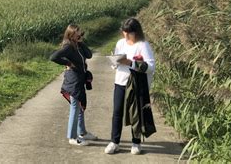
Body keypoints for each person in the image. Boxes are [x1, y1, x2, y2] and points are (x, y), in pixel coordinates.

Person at [104, 18, 155, 155]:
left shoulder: (143, 45)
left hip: (136, 84)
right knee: (117, 112)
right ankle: (114, 142)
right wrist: (114, 61)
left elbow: (150, 67)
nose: (126, 36)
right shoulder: (120, 43)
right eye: (124, 32)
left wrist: (131, 63)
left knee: (135, 113)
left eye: (129, 33)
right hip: (120, 82)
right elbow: (116, 63)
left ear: (136, 32)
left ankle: (136, 143)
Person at [50, 24, 98, 146]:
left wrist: (81, 42)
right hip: (73, 81)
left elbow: (89, 55)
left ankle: (82, 132)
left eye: (80, 32)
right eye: (77, 32)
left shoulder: (77, 45)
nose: (79, 34)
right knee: (75, 108)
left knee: (80, 107)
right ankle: (72, 137)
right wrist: (68, 63)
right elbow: (53, 57)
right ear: (71, 34)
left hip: (80, 79)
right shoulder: (68, 47)